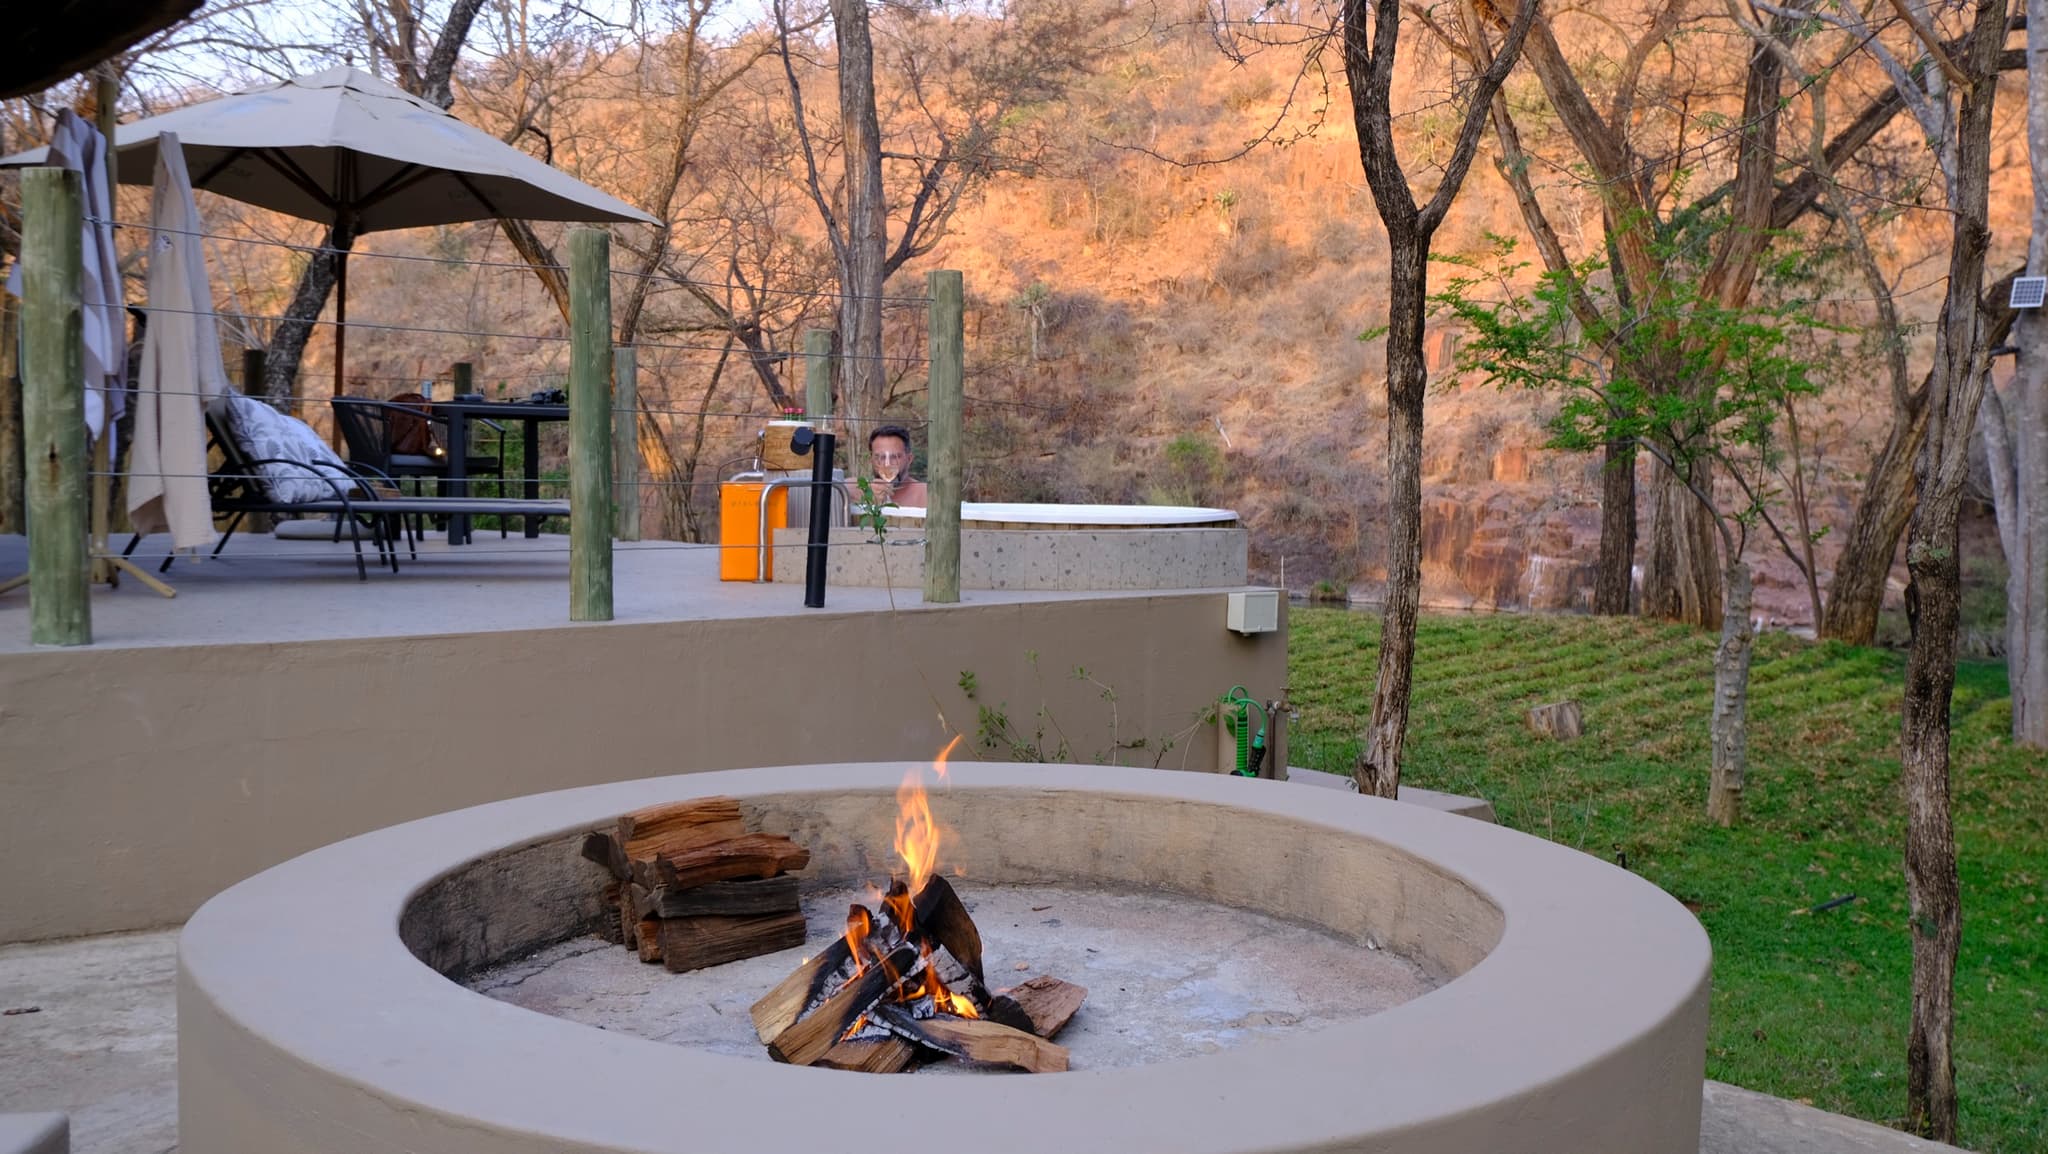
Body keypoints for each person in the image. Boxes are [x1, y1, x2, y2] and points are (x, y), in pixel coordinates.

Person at [861, 424, 927, 508]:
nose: (887, 464)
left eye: (894, 457)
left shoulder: (927, 495)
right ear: (871, 460)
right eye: (880, 457)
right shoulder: (859, 492)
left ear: (909, 459)